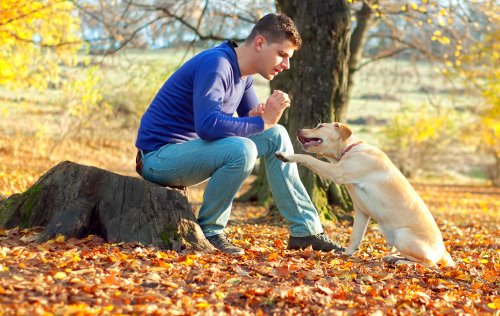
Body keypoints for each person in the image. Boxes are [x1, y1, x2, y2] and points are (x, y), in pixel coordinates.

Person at [135, 13, 344, 255]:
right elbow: (209, 125)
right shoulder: (217, 64)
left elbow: (253, 126)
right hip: (159, 158)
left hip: (193, 152)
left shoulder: (243, 76)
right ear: (260, 43)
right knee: (242, 149)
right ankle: (211, 231)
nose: (286, 64)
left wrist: (259, 119)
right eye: (282, 54)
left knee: (276, 134)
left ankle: (305, 231)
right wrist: (260, 122)